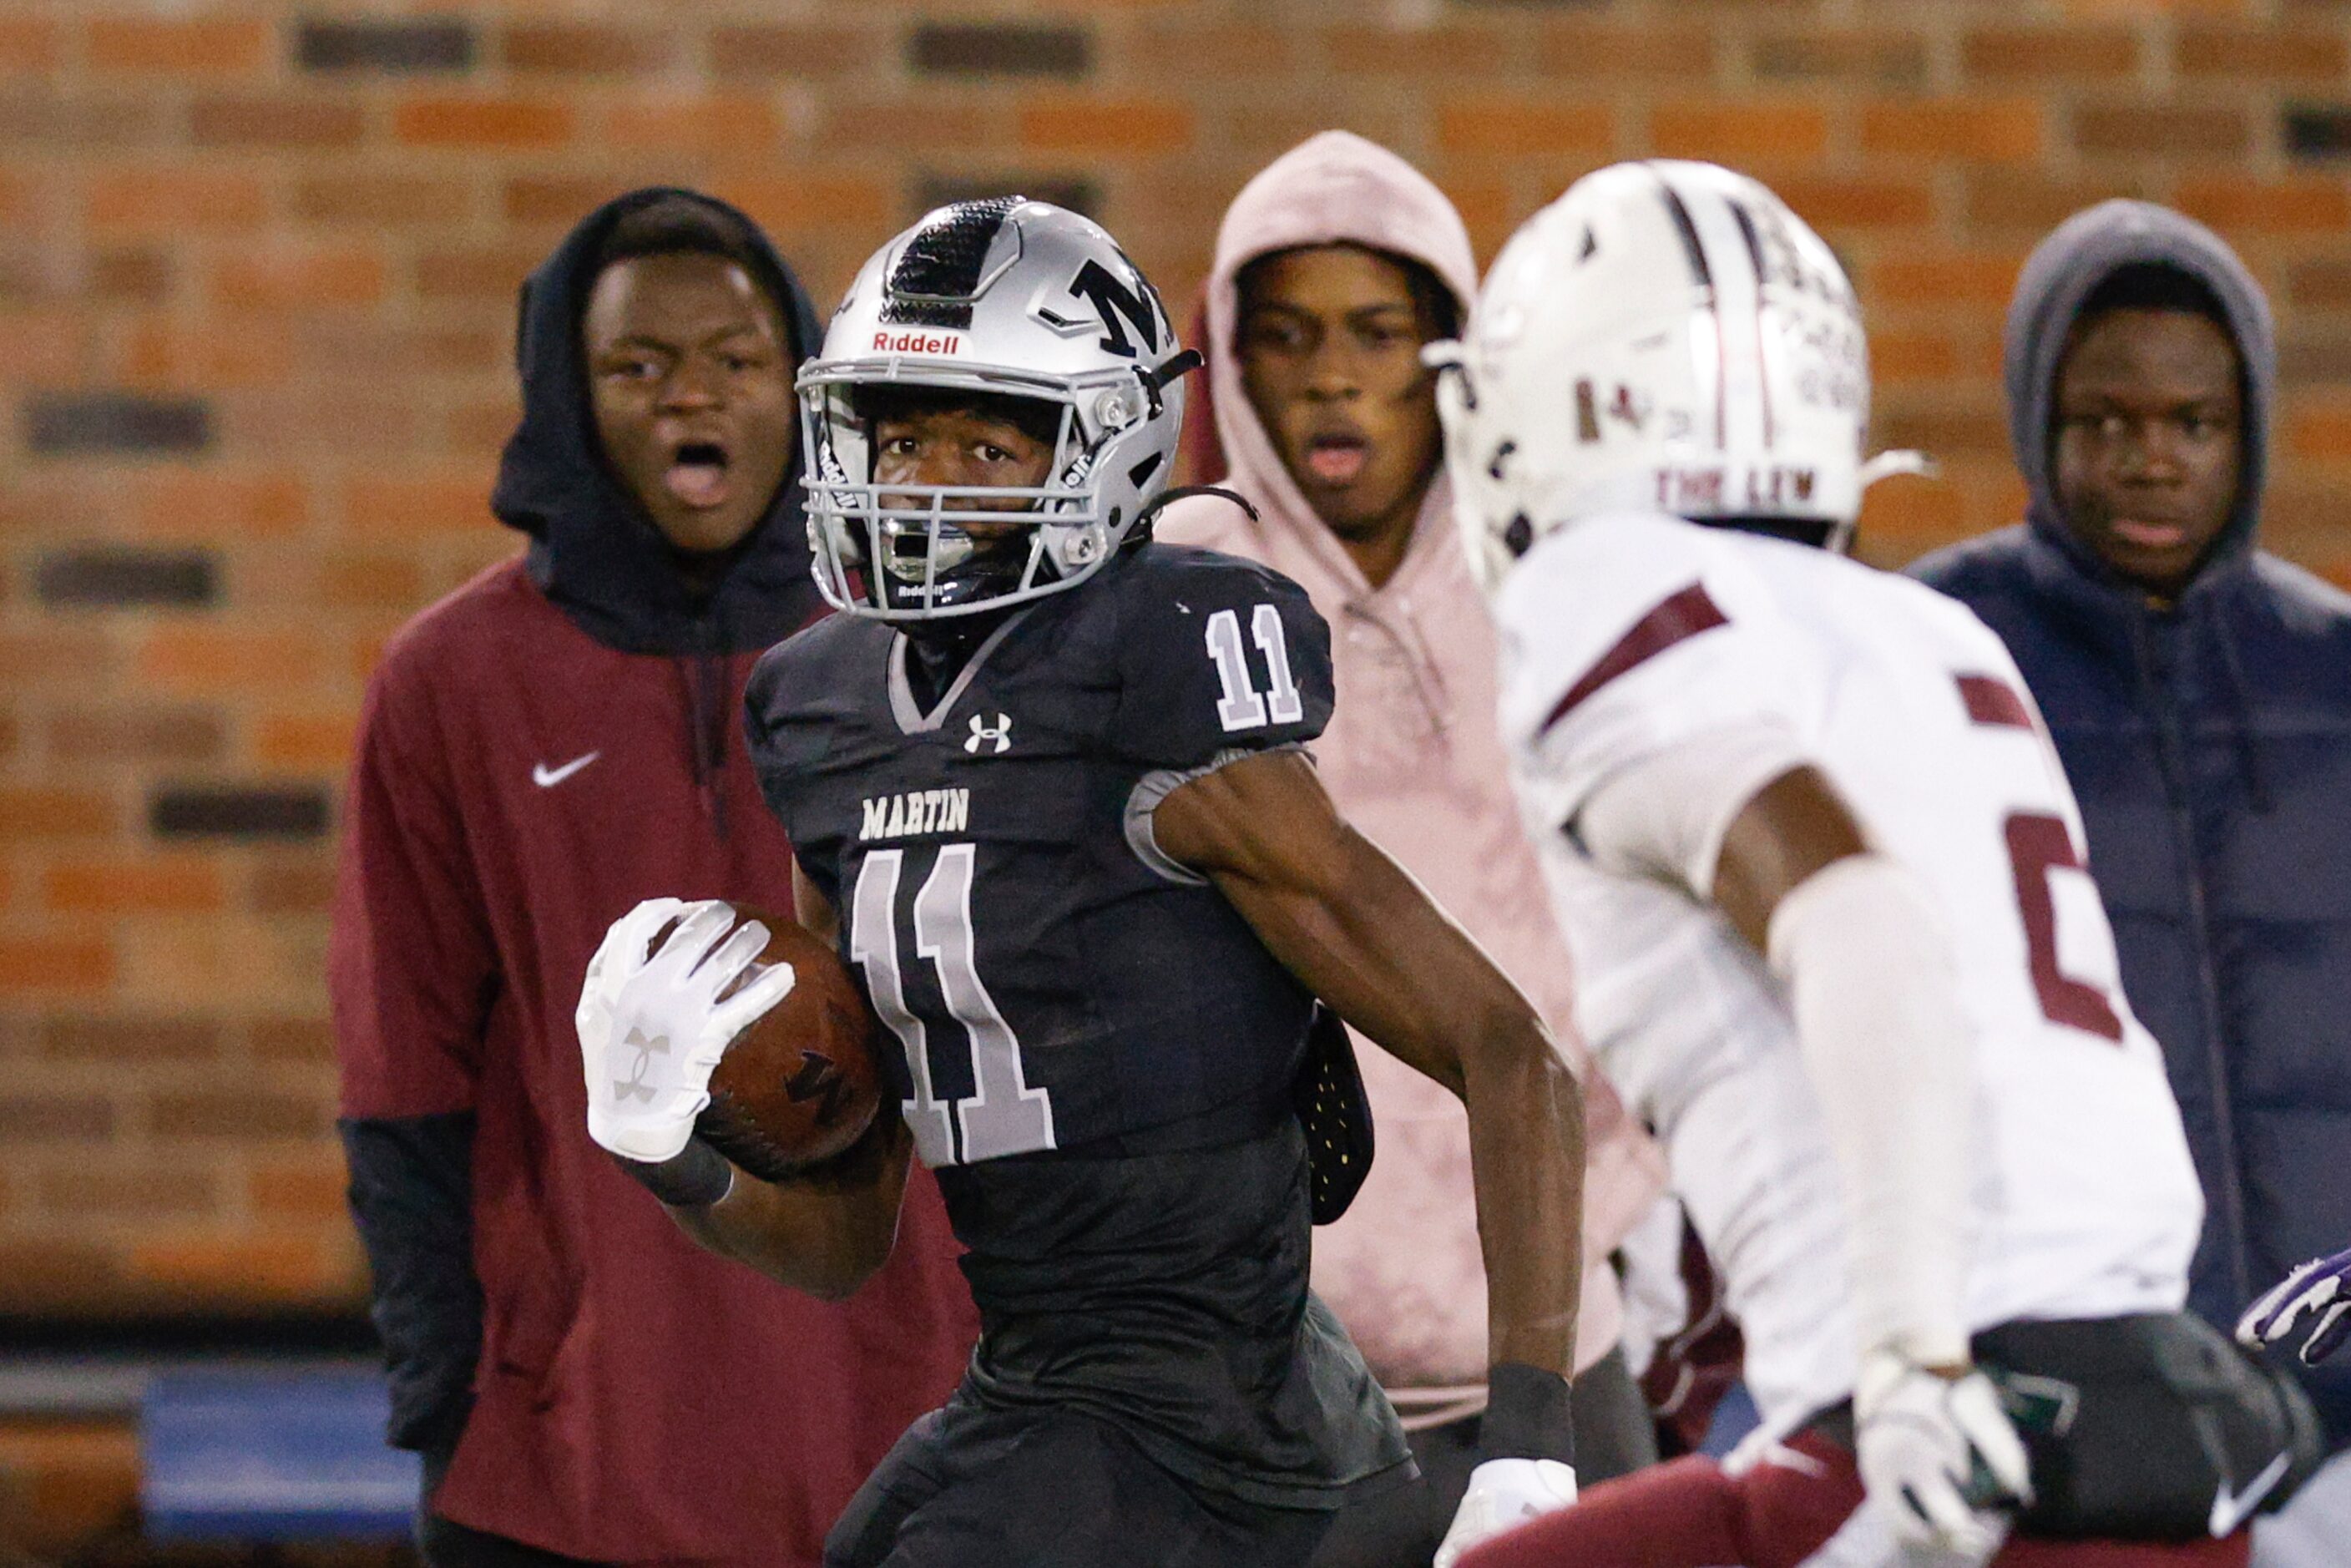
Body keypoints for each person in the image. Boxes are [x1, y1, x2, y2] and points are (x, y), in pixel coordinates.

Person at [568, 197, 1593, 1568]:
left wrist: (1531, 1437)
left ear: (1109, 443)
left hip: (1236, 1431)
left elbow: (1511, 1052)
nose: (925, 481)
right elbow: (850, 1232)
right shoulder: (821, 714)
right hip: (1040, 1392)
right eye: (902, 432)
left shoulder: (1152, 675)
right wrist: (671, 1153)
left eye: (985, 441)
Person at [1429, 160, 2318, 1567]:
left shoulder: (1602, 597)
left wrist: (1913, 1360)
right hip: (2167, 1426)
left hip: (1937, 1446)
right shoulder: (1940, 639)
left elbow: (1865, 924)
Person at [331, 188, 977, 1568]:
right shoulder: (450, 682)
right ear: (568, 398)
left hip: (924, 1426)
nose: (695, 396)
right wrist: (445, 1407)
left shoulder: (934, 651)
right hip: (582, 1456)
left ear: (804, 390)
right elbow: (406, 1077)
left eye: (738, 363)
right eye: (639, 366)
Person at [1152, 130, 1669, 1563]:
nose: (1332, 374)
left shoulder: (1557, 581)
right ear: (1232, 363)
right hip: (1274, 1373)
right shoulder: (1176, 596)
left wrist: (1640, 1191)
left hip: (1558, 1346)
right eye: (1290, 335)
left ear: (1452, 356)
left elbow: (1642, 904)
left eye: (1378, 332)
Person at [1909, 201, 2351, 1568]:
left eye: (2194, 424)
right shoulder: (1936, 654)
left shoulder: (2333, 665)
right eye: (2105, 421)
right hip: (2077, 1381)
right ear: (2041, 417)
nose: (2150, 461)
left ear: (2248, 427)